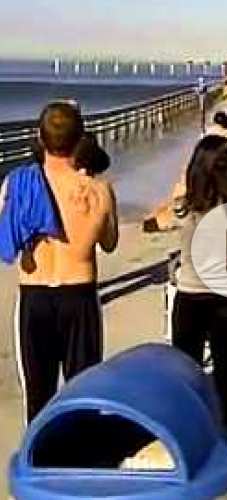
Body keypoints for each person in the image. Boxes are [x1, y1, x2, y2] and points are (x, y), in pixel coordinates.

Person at [10, 101, 118, 423]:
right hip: (79, 293)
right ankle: (79, 461)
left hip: (34, 295)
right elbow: (109, 244)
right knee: (84, 392)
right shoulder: (98, 190)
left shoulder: (16, 185)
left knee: (37, 395)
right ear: (80, 139)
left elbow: (8, 238)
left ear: (40, 139)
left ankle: (40, 462)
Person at [172, 135, 227, 435]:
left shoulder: (184, 206)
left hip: (189, 299)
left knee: (186, 383)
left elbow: (155, 219)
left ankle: (191, 445)